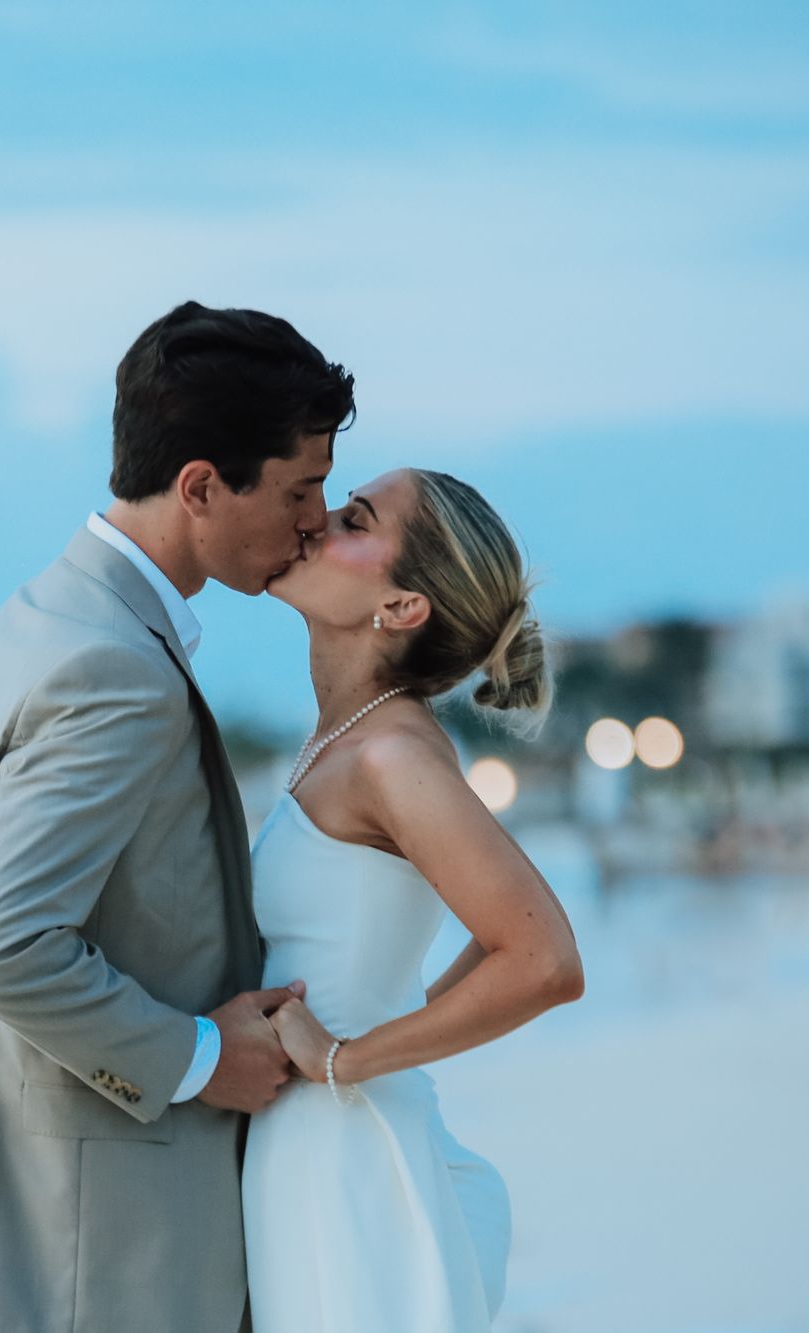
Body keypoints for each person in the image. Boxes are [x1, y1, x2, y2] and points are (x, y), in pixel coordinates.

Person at [0, 301, 356, 1332]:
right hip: (97, 1244)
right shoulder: (114, 666)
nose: (314, 522)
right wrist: (203, 1057)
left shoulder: (47, 612)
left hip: (47, 1213)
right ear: (200, 485)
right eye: (299, 489)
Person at [244, 467, 586, 1330]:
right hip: (314, 1146)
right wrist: (398, 1015)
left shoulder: (392, 757)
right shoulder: (352, 740)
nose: (316, 520)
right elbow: (501, 929)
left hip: (347, 1158)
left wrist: (344, 1058)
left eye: (354, 518)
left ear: (401, 607)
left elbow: (544, 958)